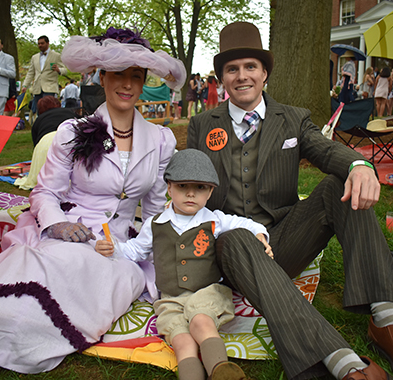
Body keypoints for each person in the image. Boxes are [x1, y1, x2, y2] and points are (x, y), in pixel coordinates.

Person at [0, 27, 186, 379]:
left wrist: (149, 250)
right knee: (37, 272)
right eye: (118, 74)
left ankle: (16, 342)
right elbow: (45, 193)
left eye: (135, 76)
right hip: (68, 230)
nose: (126, 84)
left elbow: (155, 208)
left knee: (92, 281)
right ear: (102, 78)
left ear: (143, 82)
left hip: (119, 247)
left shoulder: (161, 140)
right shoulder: (72, 133)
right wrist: (55, 225)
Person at [187, 22, 393, 380]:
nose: (242, 76)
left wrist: (358, 165)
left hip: (283, 240)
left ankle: (387, 320)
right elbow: (188, 183)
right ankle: (337, 359)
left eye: (250, 67)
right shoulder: (202, 124)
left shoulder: (292, 118)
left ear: (264, 74)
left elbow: (323, 149)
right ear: (222, 78)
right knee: (234, 238)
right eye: (232, 69)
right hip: (230, 248)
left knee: (339, 184)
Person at [96, 149, 271, 380]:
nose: (190, 194)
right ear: (169, 188)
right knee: (181, 339)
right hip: (170, 298)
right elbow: (136, 250)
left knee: (200, 321)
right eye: (182, 187)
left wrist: (260, 235)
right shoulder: (155, 223)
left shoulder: (214, 219)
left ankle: (221, 370)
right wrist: (114, 248)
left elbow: (245, 223)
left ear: (210, 192)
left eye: (199, 188)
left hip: (207, 291)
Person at [22, 35, 68, 118]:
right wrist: (25, 85)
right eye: (39, 44)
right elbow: (30, 73)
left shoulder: (56, 55)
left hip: (50, 87)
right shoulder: (34, 57)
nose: (40, 45)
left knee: (49, 109)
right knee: (38, 109)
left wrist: (58, 70)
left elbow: (65, 70)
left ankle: (49, 125)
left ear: (48, 43)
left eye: (42, 43)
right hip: (37, 88)